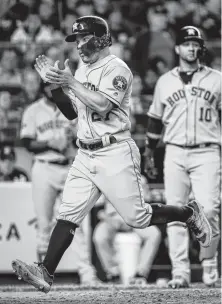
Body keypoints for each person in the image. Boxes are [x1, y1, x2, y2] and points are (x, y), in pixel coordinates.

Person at [12, 16, 211, 294]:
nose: (79, 45)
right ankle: (46, 272)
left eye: (84, 38)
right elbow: (72, 112)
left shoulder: (118, 68)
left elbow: (103, 105)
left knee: (138, 218)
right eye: (77, 40)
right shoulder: (81, 70)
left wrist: (70, 82)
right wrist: (56, 86)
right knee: (68, 213)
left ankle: (188, 212)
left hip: (114, 150)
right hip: (85, 152)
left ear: (102, 39)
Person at [144, 26, 221, 288]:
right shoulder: (165, 81)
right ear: (177, 48)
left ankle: (209, 266)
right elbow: (155, 121)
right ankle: (180, 272)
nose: (191, 47)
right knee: (175, 210)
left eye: (195, 43)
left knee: (209, 208)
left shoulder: (217, 79)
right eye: (186, 43)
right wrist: (150, 153)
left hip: (208, 150)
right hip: (174, 151)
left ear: (200, 48)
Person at [19, 81, 99, 284]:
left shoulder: (71, 107)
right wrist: (48, 143)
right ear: (41, 89)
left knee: (74, 221)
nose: (52, 90)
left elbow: (88, 135)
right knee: (44, 223)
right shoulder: (33, 110)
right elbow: (27, 142)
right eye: (48, 86)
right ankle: (40, 274)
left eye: (56, 87)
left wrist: (75, 137)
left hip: (69, 165)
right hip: (44, 166)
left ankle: (87, 274)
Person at [93, 175, 163, 285]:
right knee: (99, 236)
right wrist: (108, 218)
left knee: (154, 234)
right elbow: (98, 209)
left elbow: (147, 205)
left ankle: (140, 273)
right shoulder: (104, 177)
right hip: (112, 218)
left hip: (135, 219)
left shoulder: (140, 178)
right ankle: (113, 273)